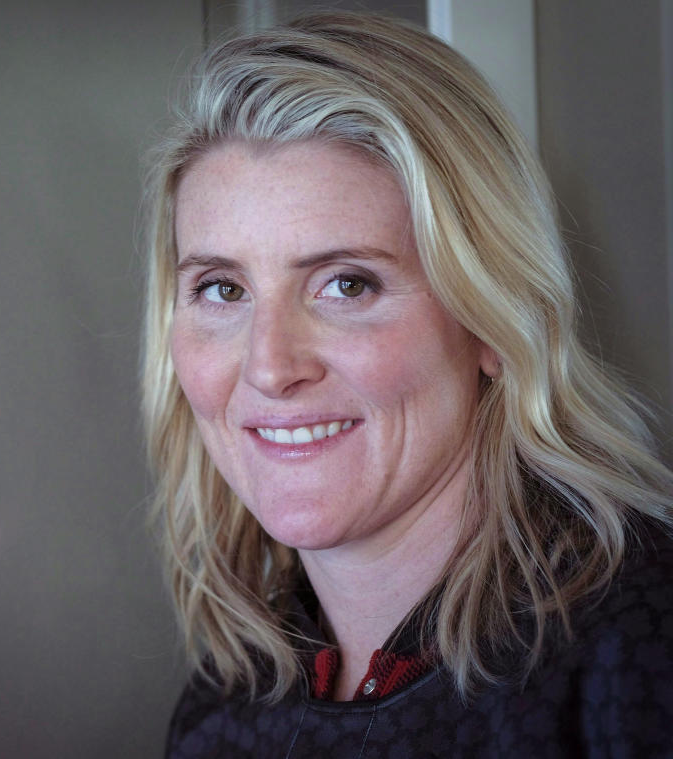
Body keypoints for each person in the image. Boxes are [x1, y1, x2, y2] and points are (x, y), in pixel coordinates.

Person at [141, 12, 673, 758]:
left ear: (490, 317)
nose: (269, 366)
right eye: (223, 290)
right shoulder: (223, 707)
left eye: (346, 284)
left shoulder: (640, 654)